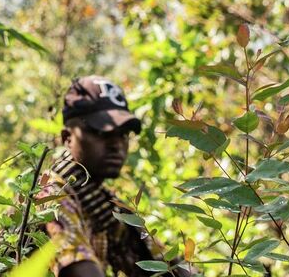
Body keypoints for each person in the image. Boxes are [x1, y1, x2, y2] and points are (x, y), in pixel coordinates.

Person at [43, 76, 196, 277]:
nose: (116, 144)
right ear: (67, 138)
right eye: (101, 132)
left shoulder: (107, 207)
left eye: (123, 134)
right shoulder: (49, 196)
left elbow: (171, 268)